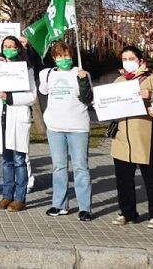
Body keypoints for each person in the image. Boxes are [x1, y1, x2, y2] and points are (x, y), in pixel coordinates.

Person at [109, 45, 153, 228]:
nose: (128, 63)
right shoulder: (119, 81)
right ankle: (127, 212)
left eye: (131, 59)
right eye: (124, 59)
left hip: (145, 137)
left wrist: (150, 96)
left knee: (151, 178)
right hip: (122, 138)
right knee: (123, 179)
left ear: (140, 60)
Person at [0, 35, 35, 212]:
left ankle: (20, 198)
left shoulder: (26, 69)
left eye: (12, 46)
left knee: (19, 160)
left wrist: (9, 97)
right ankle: (6, 195)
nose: (9, 48)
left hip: (17, 116)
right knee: (6, 161)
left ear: (18, 48)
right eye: (6, 46)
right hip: (0, 118)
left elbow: (32, 96)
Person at [39, 41, 94, 220]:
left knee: (81, 168)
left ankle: (85, 207)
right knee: (59, 167)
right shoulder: (46, 74)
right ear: (54, 58)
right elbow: (43, 91)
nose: (64, 59)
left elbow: (88, 99)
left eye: (67, 55)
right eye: (60, 56)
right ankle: (59, 204)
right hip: (55, 127)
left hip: (78, 127)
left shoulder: (81, 73)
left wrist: (83, 80)